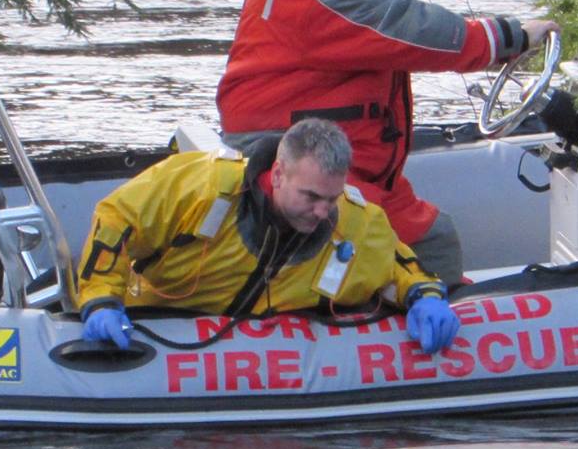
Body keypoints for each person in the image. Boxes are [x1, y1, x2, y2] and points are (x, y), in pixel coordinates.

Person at [216, 0, 558, 289]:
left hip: (313, 141)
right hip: (294, 153)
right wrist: (510, 38)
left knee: (419, 227)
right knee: (432, 241)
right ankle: (434, 337)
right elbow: (411, 29)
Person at [75, 117, 460, 355]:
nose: (322, 211)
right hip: (158, 318)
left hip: (260, 346)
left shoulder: (356, 223)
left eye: (331, 198)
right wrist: (101, 299)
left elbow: (398, 266)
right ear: (277, 174)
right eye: (310, 196)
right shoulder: (203, 186)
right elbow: (117, 219)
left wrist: (424, 297)